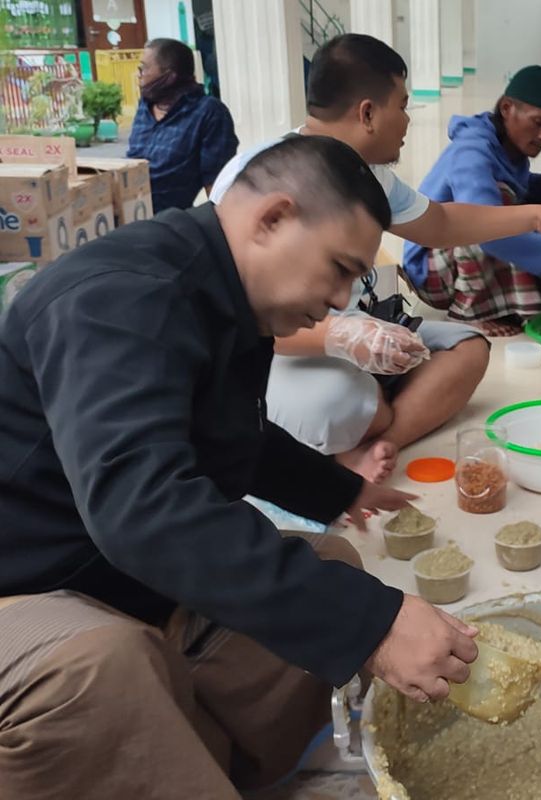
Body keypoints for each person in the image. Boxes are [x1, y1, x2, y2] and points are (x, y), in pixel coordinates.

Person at [0, 135, 480, 798]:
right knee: (98, 667)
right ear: (273, 218)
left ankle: (219, 771)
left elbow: (229, 434)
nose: (341, 301)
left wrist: (341, 489)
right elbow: (141, 509)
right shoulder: (120, 296)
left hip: (114, 577)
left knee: (332, 566)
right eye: (338, 270)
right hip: (25, 590)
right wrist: (372, 625)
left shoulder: (221, 293)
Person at [212, 40, 541, 480]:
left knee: (468, 348)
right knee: (342, 402)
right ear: (367, 114)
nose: (407, 121)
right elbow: (241, 322)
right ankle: (366, 424)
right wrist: (341, 335)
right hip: (290, 349)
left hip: (366, 324)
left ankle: (375, 447)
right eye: (403, 105)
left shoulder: (370, 172)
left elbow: (439, 224)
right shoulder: (258, 180)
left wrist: (536, 216)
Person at [402, 65, 541, 337]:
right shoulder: (473, 150)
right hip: (429, 271)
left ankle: (498, 305)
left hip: (452, 254)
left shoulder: (505, 147)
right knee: (502, 209)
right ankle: (467, 312)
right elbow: (480, 224)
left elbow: (516, 187)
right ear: (507, 108)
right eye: (538, 122)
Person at [127, 37, 237, 212]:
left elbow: (217, 185)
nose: (139, 75)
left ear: (169, 77)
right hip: (128, 212)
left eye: (144, 69)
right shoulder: (145, 105)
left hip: (166, 222)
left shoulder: (208, 112)